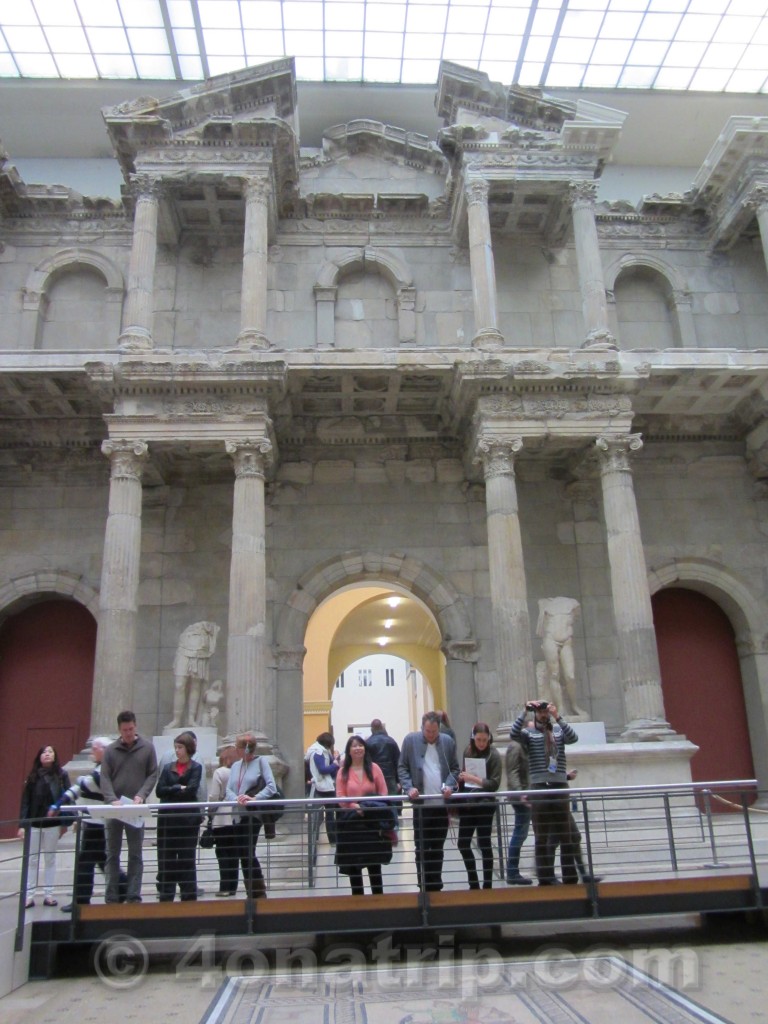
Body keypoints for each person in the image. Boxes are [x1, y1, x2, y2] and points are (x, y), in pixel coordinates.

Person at [49, 736, 128, 911]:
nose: (92, 752)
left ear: (105, 751)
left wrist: (80, 782)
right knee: (98, 859)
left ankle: (83, 900)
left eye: (95, 748)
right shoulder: (101, 769)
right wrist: (60, 802)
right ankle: (123, 886)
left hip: (99, 822)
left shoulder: (106, 770)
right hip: (94, 821)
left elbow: (88, 784)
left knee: (87, 861)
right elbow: (80, 787)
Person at [510, 700, 578, 886]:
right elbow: (513, 734)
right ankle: (545, 878)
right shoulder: (528, 733)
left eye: (544, 711)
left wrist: (558, 716)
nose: (542, 714)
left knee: (566, 835)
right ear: (535, 713)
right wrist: (524, 711)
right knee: (541, 837)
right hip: (539, 788)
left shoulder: (557, 731)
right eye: (539, 711)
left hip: (559, 786)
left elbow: (573, 738)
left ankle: (570, 877)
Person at [100, 710, 159, 903]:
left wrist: (141, 795)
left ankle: (134, 895)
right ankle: (112, 896)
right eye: (125, 730)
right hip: (115, 808)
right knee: (112, 854)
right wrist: (111, 799)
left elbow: (152, 774)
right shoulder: (110, 751)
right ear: (119, 729)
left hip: (135, 808)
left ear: (136, 726)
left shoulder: (147, 748)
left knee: (135, 854)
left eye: (131, 729)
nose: (128, 733)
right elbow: (105, 777)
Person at [398, 710, 459, 892]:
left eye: (434, 732)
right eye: (428, 731)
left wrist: (449, 785)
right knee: (422, 847)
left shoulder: (447, 742)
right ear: (422, 728)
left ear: (439, 729)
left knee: (438, 847)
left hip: (440, 806)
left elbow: (455, 769)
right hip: (421, 806)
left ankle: (436, 884)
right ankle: (423, 883)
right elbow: (402, 767)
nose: (431, 735)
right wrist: (409, 787)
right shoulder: (410, 741)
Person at [335, 735, 396, 895]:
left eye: (360, 745)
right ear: (348, 750)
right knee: (354, 866)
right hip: (352, 824)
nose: (357, 748)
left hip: (372, 822)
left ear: (365, 748)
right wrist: (354, 806)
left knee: (374, 865)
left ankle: (378, 901)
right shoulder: (343, 771)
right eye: (354, 746)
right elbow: (340, 796)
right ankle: (358, 902)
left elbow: (383, 792)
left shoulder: (374, 768)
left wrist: (369, 807)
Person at [225, 732, 277, 900]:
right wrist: (236, 798)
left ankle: (258, 891)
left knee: (248, 850)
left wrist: (254, 798)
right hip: (237, 813)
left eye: (238, 747)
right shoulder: (235, 766)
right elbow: (228, 789)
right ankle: (252, 890)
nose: (236, 750)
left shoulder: (261, 762)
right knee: (242, 852)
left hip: (252, 814)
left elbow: (271, 787)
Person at [18, 745, 70, 908]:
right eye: (44, 752)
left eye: (50, 752)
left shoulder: (61, 775)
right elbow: (25, 802)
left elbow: (67, 798)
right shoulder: (32, 777)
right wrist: (22, 825)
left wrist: (65, 823)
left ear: (55, 756)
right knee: (32, 859)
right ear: (39, 757)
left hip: (53, 825)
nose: (47, 754)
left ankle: (49, 894)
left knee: (50, 859)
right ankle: (29, 895)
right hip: (34, 824)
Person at [155, 731, 203, 902]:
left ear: (188, 748)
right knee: (167, 857)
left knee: (186, 858)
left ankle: (188, 895)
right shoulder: (168, 767)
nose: (177, 751)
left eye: (180, 747)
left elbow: (191, 790)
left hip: (187, 820)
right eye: (176, 747)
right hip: (168, 820)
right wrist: (177, 788)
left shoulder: (196, 767)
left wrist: (173, 789)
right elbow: (159, 790)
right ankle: (167, 894)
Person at [456, 722, 501, 890]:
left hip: (485, 805)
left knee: (484, 843)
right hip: (469, 804)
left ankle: (487, 884)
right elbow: (464, 775)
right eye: (478, 740)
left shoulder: (494, 756)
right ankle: (473, 882)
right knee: (463, 843)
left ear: (489, 739)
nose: (481, 743)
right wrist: (462, 777)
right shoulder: (468, 751)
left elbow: (494, 784)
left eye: (484, 740)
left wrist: (473, 778)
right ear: (473, 738)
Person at [536, 597, 586, 718]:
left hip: (566, 639)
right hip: (550, 638)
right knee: (554, 674)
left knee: (570, 676)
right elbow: (539, 629)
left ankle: (574, 705)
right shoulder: (543, 603)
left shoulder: (573, 604)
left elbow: (575, 618)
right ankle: (560, 708)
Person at [166, 620, 220, 728]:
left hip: (200, 650)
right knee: (179, 685)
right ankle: (176, 719)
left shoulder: (208, 628)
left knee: (196, 686)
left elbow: (215, 629)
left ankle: (191, 718)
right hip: (184, 647)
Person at [207, 744, 239, 896]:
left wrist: (209, 811)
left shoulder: (220, 772)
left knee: (222, 853)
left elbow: (214, 796)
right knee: (233, 853)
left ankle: (224, 887)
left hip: (221, 818)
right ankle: (232, 886)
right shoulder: (239, 772)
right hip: (236, 817)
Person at [504, 733, 533, 885]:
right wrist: (520, 793)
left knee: (522, 833)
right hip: (521, 797)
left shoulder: (526, 745)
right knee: (520, 833)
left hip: (528, 794)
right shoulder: (515, 746)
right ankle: (512, 871)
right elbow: (513, 772)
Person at [306, 731, 339, 844]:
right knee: (330, 815)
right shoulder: (320, 753)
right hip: (324, 787)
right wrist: (335, 765)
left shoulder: (314, 751)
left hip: (319, 786)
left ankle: (315, 839)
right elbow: (323, 770)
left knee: (317, 815)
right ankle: (333, 839)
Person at [366, 719, 401, 797]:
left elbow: (366, 763)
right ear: (382, 727)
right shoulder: (391, 741)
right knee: (393, 803)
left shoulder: (368, 742)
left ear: (371, 729)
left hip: (374, 777)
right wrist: (399, 781)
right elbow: (398, 762)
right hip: (391, 776)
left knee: (377, 802)